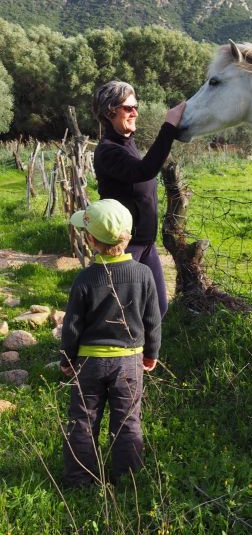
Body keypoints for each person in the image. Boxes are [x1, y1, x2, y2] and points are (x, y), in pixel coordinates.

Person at [60, 199, 161, 488]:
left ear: (90, 240)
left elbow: (72, 326)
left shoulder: (85, 279)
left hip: (89, 363)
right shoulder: (144, 275)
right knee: (128, 420)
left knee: (82, 420)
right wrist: (151, 353)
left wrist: (68, 359)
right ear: (128, 236)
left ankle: (80, 480)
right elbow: (153, 320)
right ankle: (128, 480)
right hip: (129, 363)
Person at [92, 80, 186, 317]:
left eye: (136, 107)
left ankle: (147, 355)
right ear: (109, 111)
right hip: (123, 246)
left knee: (157, 310)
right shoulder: (108, 151)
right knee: (121, 313)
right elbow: (144, 171)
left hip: (145, 244)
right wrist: (169, 126)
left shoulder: (127, 144)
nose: (135, 112)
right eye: (128, 108)